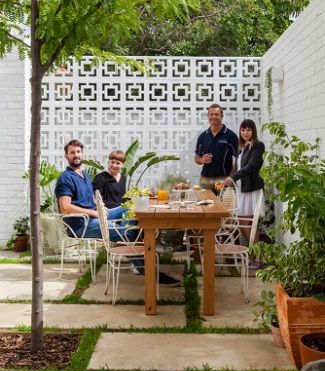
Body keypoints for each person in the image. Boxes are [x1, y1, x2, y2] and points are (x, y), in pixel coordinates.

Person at [55, 140, 181, 286]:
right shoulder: (66, 178)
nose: (76, 155)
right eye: (72, 152)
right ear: (66, 156)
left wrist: (100, 207)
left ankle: (137, 243)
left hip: (96, 215)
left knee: (131, 206)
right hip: (81, 224)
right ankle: (147, 269)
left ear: (82, 154)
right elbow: (65, 207)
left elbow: (91, 198)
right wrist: (92, 212)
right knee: (126, 231)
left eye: (78, 152)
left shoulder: (84, 175)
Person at [223, 119, 265, 247]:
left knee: (244, 224)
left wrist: (234, 177)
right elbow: (238, 168)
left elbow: (252, 166)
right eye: (243, 130)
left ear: (253, 131)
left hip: (251, 190)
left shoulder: (258, 145)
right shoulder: (244, 147)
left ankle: (258, 255)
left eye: (248, 130)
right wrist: (228, 178)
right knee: (248, 226)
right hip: (243, 190)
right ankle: (256, 256)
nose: (245, 133)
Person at [194, 103, 238, 191]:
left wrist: (231, 176)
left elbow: (239, 158)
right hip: (205, 181)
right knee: (204, 204)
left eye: (217, 114)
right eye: (211, 114)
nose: (214, 116)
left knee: (225, 204)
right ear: (208, 116)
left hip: (224, 180)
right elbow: (196, 157)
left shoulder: (231, 136)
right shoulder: (202, 136)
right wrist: (201, 159)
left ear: (222, 116)